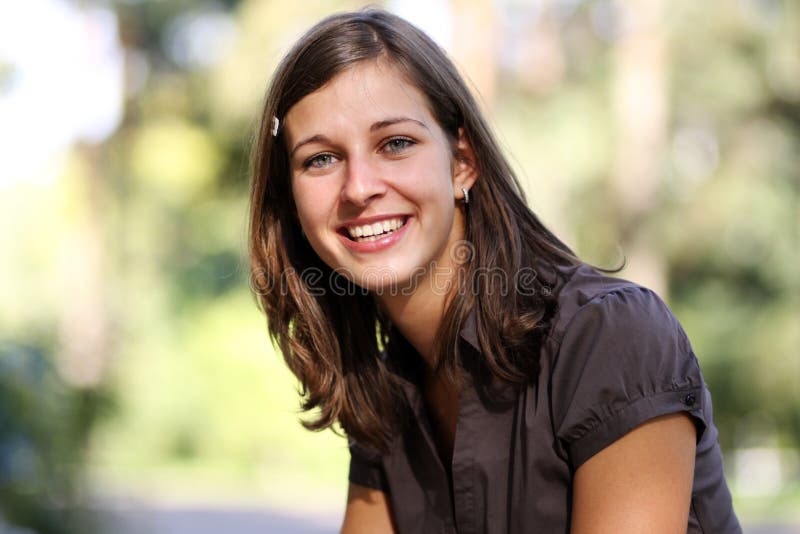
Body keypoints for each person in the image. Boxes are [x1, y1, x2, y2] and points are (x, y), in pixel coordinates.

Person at [248, 9, 741, 534]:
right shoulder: (386, 384)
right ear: (293, 201)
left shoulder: (611, 337)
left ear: (462, 162)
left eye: (395, 143)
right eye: (320, 159)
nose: (359, 187)